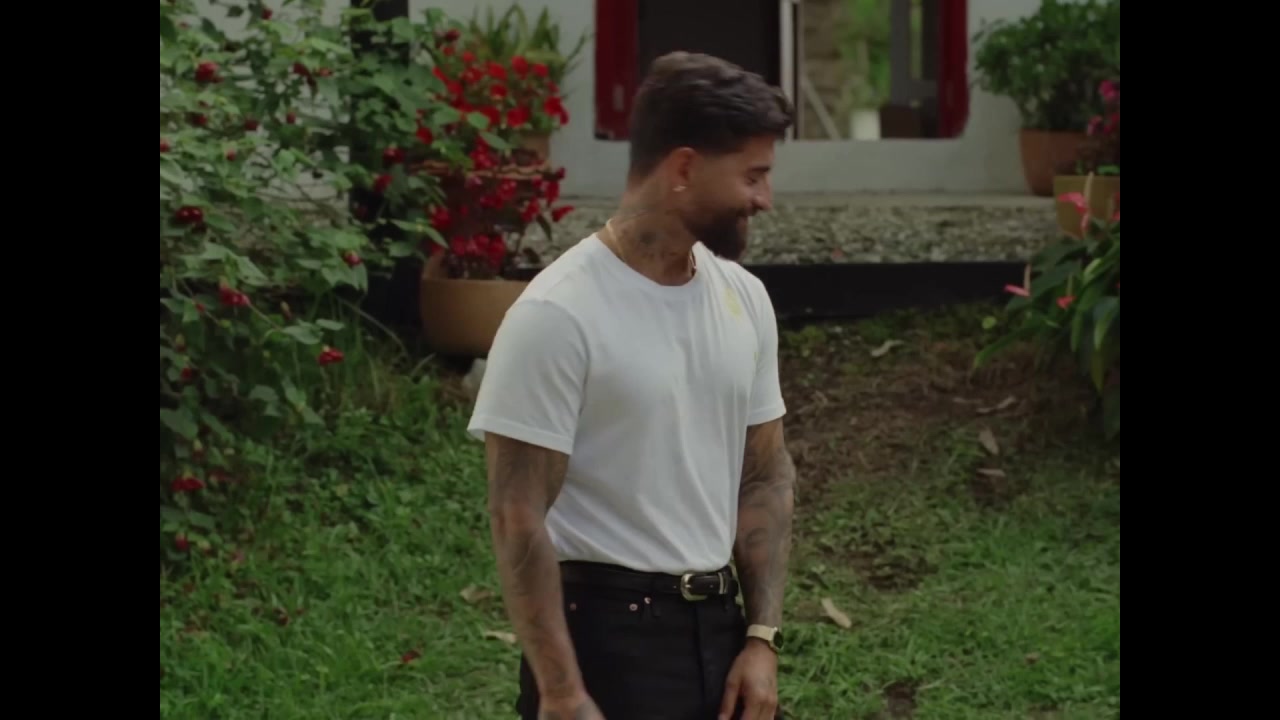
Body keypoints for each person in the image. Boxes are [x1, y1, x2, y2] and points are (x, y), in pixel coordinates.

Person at [468, 51, 797, 720]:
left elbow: (764, 475)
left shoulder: (745, 298)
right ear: (683, 169)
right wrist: (562, 692)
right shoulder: (558, 314)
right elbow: (517, 514)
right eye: (753, 176)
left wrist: (761, 638)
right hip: (606, 643)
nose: (765, 199)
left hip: (720, 634)